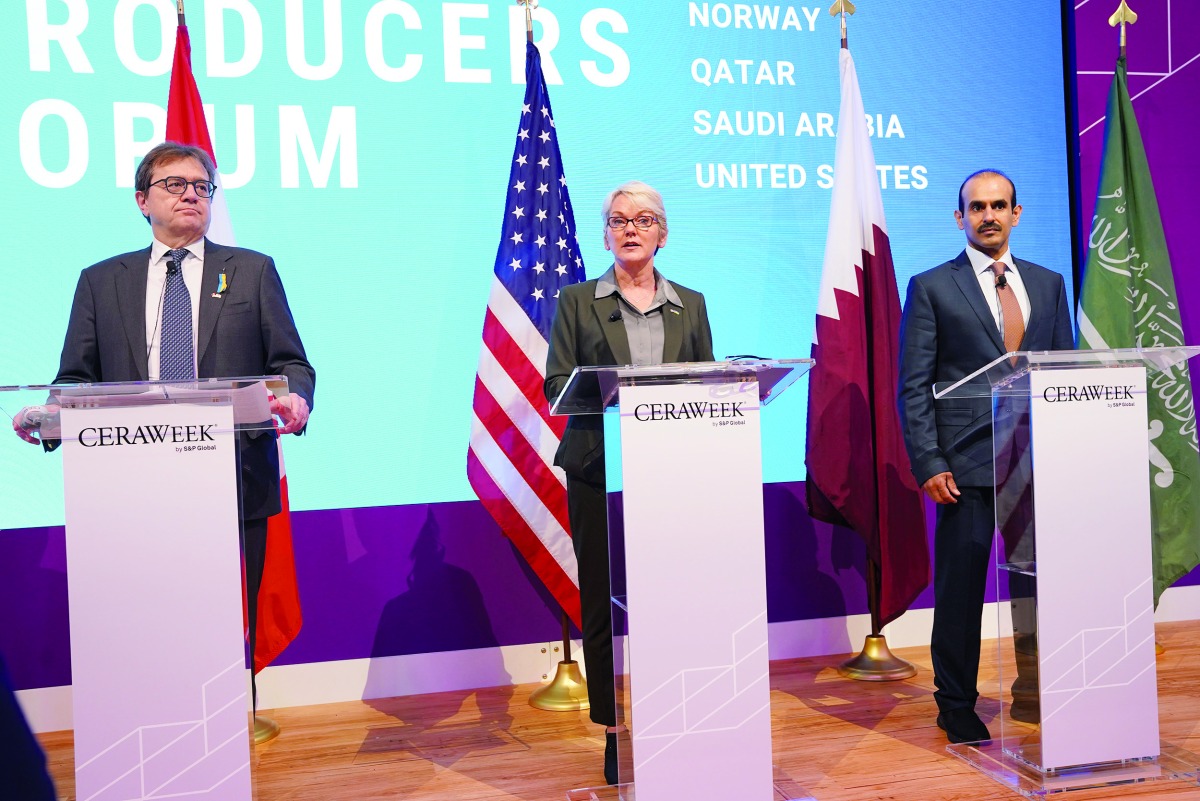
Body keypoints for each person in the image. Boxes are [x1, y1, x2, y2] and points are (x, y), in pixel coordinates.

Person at [11, 141, 315, 681]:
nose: (191, 195)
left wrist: (294, 396)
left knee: (223, 630)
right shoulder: (102, 281)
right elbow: (77, 376)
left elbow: (291, 362)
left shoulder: (251, 271)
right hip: (133, 484)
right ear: (141, 200)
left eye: (202, 187)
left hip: (234, 479)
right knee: (149, 633)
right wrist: (51, 415)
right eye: (174, 184)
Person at [544, 181, 714, 785]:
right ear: (607, 234)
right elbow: (555, 385)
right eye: (619, 221)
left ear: (663, 234)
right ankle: (615, 732)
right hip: (599, 468)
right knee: (601, 596)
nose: (631, 229)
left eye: (644, 220)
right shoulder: (577, 301)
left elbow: (706, 386)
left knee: (676, 593)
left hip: (672, 472)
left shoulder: (689, 303)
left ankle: (681, 713)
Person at [897, 169, 1073, 744]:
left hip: (1038, 461)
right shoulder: (932, 287)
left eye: (999, 206)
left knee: (1042, 586)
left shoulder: (1048, 285)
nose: (988, 215)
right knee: (961, 592)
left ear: (1016, 214)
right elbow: (914, 385)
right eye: (976, 207)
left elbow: (1064, 373)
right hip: (964, 464)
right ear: (960, 218)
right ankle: (955, 704)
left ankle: (1041, 689)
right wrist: (928, 460)